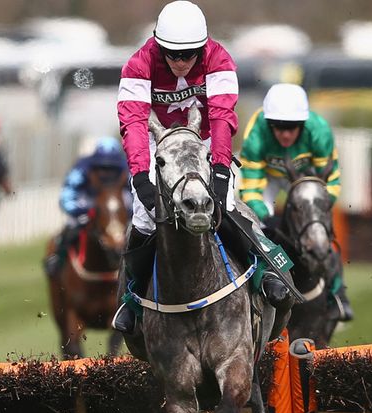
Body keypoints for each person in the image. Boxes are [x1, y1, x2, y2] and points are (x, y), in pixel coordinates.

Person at [112, 0, 292, 333]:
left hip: (205, 141)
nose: (180, 62)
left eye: (189, 54)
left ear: (203, 47)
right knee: (143, 216)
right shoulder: (138, 65)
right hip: (158, 144)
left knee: (224, 205)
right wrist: (140, 177)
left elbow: (223, 118)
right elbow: (134, 123)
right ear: (158, 45)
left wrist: (221, 171)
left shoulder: (219, 59)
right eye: (172, 54)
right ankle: (132, 300)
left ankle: (265, 276)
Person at [240, 83, 353, 321]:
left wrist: (317, 211)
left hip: (307, 178)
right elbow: (251, 186)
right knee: (255, 225)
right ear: (269, 123)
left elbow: (331, 182)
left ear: (303, 124)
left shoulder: (319, 131)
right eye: (278, 127)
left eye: (292, 127)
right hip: (268, 178)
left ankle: (337, 294)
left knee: (319, 229)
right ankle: (254, 286)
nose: (285, 134)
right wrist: (266, 216)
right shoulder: (256, 133)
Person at [44, 137, 131, 276]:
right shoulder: (82, 168)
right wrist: (84, 210)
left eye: (111, 168)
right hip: (88, 203)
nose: (107, 173)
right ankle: (56, 258)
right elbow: (66, 196)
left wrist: (128, 212)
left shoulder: (127, 167)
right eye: (102, 168)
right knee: (72, 226)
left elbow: (136, 196)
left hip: (116, 205)